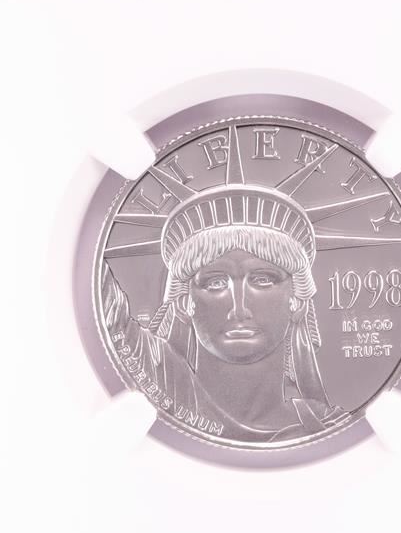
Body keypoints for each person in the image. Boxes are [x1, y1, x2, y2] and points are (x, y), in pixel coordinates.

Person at [102, 170, 347, 444]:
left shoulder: (333, 428)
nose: (238, 309)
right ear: (184, 302)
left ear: (297, 301)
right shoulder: (167, 388)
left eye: (262, 280)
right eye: (215, 282)